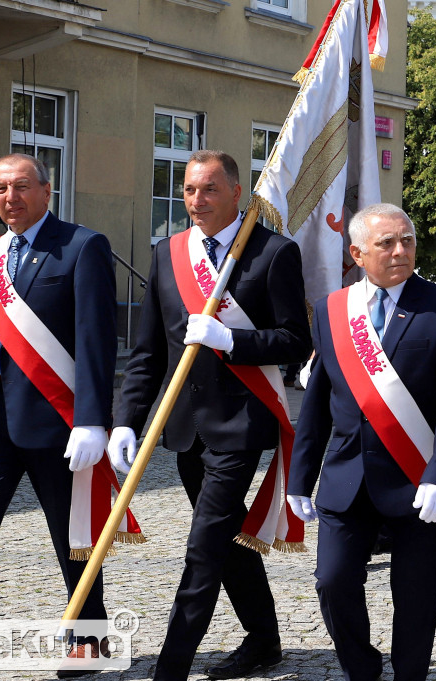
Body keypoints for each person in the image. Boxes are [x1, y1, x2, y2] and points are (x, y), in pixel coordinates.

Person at [107, 150, 312, 680]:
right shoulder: (167, 253)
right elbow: (149, 350)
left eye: (210, 189)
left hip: (241, 421)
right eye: (190, 190)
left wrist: (230, 339)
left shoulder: (272, 253)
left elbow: (296, 340)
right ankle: (264, 638)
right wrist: (127, 419)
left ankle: (171, 667)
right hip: (185, 427)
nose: (197, 201)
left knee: (202, 545)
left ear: (237, 193)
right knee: (225, 537)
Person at [287, 203, 436, 681]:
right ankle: (362, 670)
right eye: (386, 243)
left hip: (414, 479)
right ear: (356, 252)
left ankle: (410, 675)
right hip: (345, 477)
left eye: (407, 240)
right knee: (332, 583)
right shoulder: (333, 310)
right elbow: (317, 399)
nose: (400, 251)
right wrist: (299, 477)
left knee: (414, 595)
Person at [0, 153, 121, 675]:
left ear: (47, 190)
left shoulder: (81, 247)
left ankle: (88, 646)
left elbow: (97, 340)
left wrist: (92, 419)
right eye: (1, 188)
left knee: (74, 542)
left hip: (58, 424)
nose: (11, 197)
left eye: (22, 186)